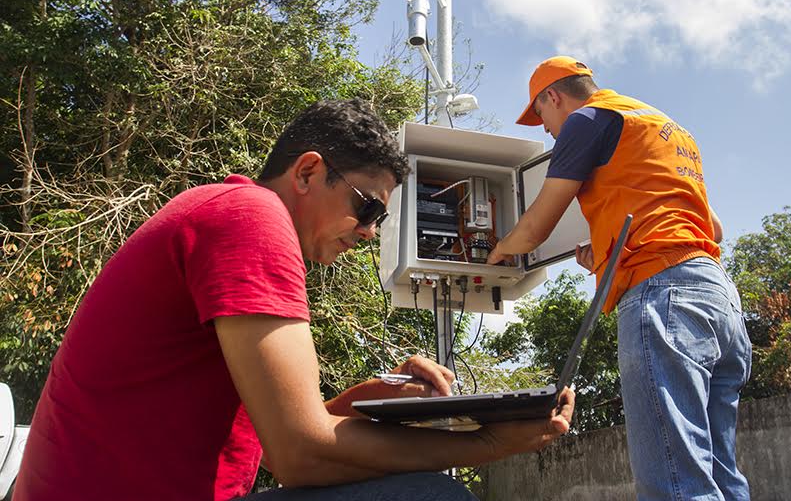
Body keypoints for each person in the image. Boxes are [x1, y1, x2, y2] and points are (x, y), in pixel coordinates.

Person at [15, 99, 575, 501]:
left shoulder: (225, 213)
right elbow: (301, 458)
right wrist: (491, 443)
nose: (370, 231)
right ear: (308, 171)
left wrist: (369, 399)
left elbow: (288, 438)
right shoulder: (252, 218)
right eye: (369, 207)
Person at [486, 57, 752, 501]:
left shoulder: (587, 119)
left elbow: (536, 227)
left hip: (666, 299)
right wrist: (609, 253)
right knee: (721, 476)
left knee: (675, 483)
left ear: (553, 96)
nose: (546, 131)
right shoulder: (663, 126)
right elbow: (713, 229)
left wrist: (496, 251)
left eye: (542, 118)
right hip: (718, 296)